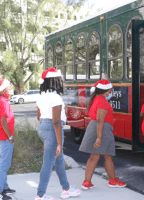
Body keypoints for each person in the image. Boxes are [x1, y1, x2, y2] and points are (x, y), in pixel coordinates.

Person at [35, 67, 81, 200]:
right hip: (52, 129)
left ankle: (66, 189)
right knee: (48, 163)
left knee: (59, 161)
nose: (62, 82)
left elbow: (39, 116)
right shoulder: (56, 98)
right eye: (60, 79)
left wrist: (47, 140)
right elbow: (56, 121)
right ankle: (40, 195)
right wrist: (59, 143)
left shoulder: (41, 96)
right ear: (55, 81)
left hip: (43, 127)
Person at [79, 79, 126, 189]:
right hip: (102, 129)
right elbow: (100, 121)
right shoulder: (103, 102)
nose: (110, 94)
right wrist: (99, 138)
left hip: (94, 128)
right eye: (109, 92)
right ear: (105, 91)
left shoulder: (96, 99)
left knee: (94, 157)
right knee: (108, 157)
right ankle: (112, 181)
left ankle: (87, 182)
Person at [0, 78, 16, 200]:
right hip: (4, 137)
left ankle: (4, 187)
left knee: (3, 163)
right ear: (2, 89)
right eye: (8, 87)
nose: (10, 89)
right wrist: (10, 136)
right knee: (4, 165)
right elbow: (4, 122)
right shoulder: (4, 102)